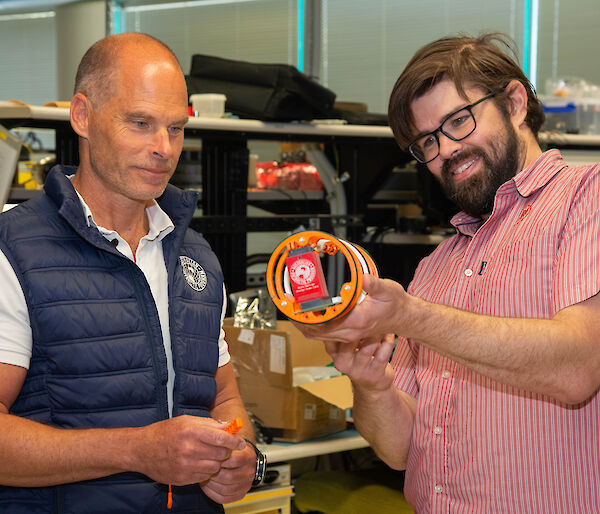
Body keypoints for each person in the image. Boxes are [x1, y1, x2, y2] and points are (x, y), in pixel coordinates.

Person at [295, 33, 600, 513]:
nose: (447, 151)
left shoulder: (586, 199)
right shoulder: (438, 266)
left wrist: (411, 317)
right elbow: (399, 451)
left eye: (459, 120)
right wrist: (371, 384)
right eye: (428, 142)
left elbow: (578, 367)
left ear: (515, 103)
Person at [0, 33, 261, 513]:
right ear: (82, 115)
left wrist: (242, 457)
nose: (164, 148)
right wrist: (137, 451)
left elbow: (223, 399)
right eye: (140, 123)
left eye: (177, 128)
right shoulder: (12, 251)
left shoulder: (196, 256)